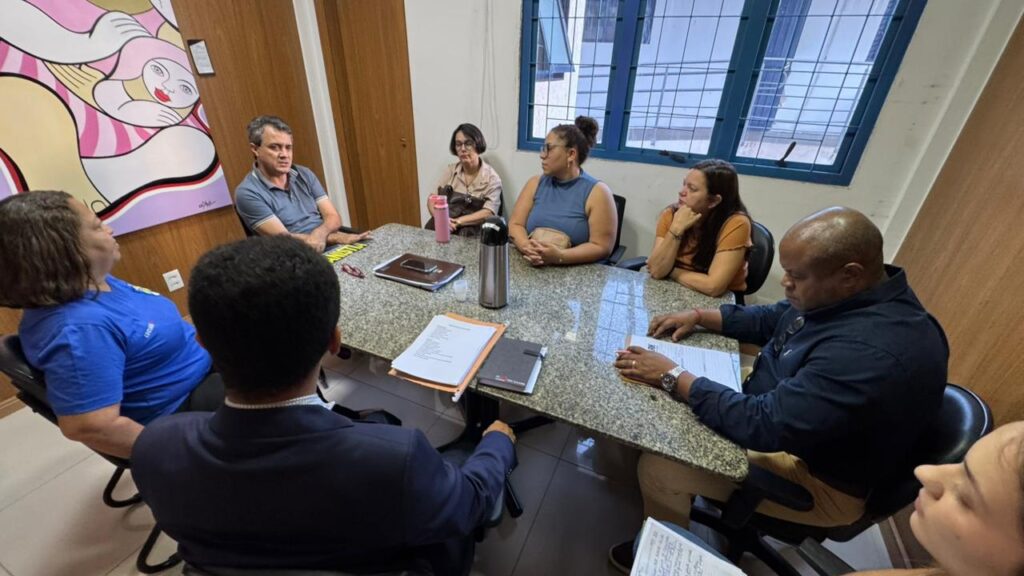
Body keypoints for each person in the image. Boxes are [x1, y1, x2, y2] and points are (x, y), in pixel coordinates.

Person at [130, 236, 517, 575]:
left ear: (202, 343)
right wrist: (498, 443)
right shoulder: (395, 459)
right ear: (334, 342)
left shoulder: (153, 448)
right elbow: (472, 502)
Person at [608, 207, 949, 571]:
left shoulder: (871, 352)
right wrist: (698, 316)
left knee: (661, 464)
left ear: (850, 274)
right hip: (780, 404)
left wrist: (673, 375)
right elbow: (775, 317)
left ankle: (662, 559)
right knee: (666, 399)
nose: (786, 283)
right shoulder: (851, 296)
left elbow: (763, 424)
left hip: (814, 477)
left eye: (795, 276)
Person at [617, 422, 1024, 576]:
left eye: (967, 497)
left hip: (821, 482)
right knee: (665, 539)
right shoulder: (941, 570)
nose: (927, 473)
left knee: (663, 469)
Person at [0, 190, 220, 459]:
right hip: (180, 406)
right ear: (63, 252)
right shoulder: (78, 329)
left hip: (201, 367)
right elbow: (91, 427)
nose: (109, 228)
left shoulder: (94, 282)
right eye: (97, 225)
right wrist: (182, 456)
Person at [235, 115, 370, 252]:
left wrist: (320, 234)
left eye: (288, 147)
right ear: (255, 149)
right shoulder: (247, 193)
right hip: (297, 256)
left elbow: (333, 217)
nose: (284, 154)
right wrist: (336, 238)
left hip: (330, 244)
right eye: (275, 147)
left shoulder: (304, 174)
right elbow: (285, 238)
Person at [508, 116, 618, 266]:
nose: (542, 155)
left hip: (575, 274)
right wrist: (527, 247)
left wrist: (560, 256)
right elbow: (515, 224)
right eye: (543, 148)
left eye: (549, 148)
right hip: (531, 263)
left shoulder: (598, 193)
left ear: (571, 154)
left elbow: (602, 247)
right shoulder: (535, 183)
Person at [646, 159, 751, 297]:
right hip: (673, 290)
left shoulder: (737, 223)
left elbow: (713, 287)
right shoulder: (671, 214)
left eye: (692, 189)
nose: (681, 192)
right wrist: (676, 230)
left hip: (720, 301)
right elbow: (656, 271)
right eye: (684, 184)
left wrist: (670, 270)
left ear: (713, 201)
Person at [425, 123, 503, 237]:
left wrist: (458, 221)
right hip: (442, 227)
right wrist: (440, 219)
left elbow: (489, 212)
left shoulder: (492, 178)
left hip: (471, 234)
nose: (462, 149)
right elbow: (432, 199)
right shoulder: (450, 171)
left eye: (468, 144)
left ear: (478, 145)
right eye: (458, 144)